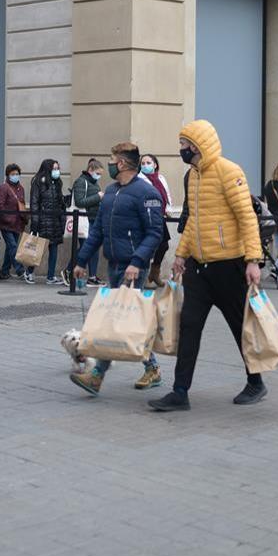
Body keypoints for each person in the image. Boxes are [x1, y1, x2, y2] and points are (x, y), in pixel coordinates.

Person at [148, 120, 266, 412]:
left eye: (184, 145)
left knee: (240, 327)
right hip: (199, 269)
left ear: (198, 145)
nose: (181, 150)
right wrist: (180, 255)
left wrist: (253, 260)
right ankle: (180, 392)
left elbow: (247, 218)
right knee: (189, 326)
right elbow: (193, 221)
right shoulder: (193, 176)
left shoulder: (230, 172)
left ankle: (256, 382)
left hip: (229, 267)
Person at [69, 142, 166, 394]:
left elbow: (155, 233)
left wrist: (137, 263)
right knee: (123, 320)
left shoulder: (147, 193)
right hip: (114, 262)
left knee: (119, 320)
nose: (109, 164)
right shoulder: (111, 192)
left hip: (133, 267)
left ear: (121, 163)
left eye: (112, 159)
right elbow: (98, 230)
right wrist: (81, 260)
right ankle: (150, 368)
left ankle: (98, 375)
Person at [64, 159, 104, 286]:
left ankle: (92, 276)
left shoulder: (93, 183)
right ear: (90, 170)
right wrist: (98, 197)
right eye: (98, 173)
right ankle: (68, 270)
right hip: (83, 219)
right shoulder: (81, 182)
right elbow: (80, 201)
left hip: (93, 219)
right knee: (86, 247)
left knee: (93, 248)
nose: (99, 176)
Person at [139, 154, 176, 288]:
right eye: (143, 163)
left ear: (155, 164)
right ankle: (145, 277)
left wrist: (168, 208)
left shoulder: (160, 178)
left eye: (148, 162)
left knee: (164, 245)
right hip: (147, 216)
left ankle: (155, 273)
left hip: (160, 215)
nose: (145, 165)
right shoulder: (139, 179)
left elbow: (166, 194)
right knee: (149, 246)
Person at [27, 159, 65, 285]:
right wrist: (35, 223)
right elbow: (34, 203)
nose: (56, 171)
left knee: (53, 248)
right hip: (43, 219)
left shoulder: (57, 182)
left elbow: (59, 201)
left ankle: (50, 276)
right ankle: (29, 272)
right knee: (37, 248)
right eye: (54, 168)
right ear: (48, 169)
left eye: (57, 168)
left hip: (54, 220)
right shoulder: (38, 182)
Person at [0, 164, 29, 280]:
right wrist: (7, 218)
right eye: (12, 174)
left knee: (10, 248)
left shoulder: (21, 188)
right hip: (6, 224)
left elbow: (22, 204)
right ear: (8, 175)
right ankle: (20, 270)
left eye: (17, 174)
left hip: (18, 223)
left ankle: (5, 270)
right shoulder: (3, 188)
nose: (15, 176)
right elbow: (0, 205)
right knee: (13, 246)